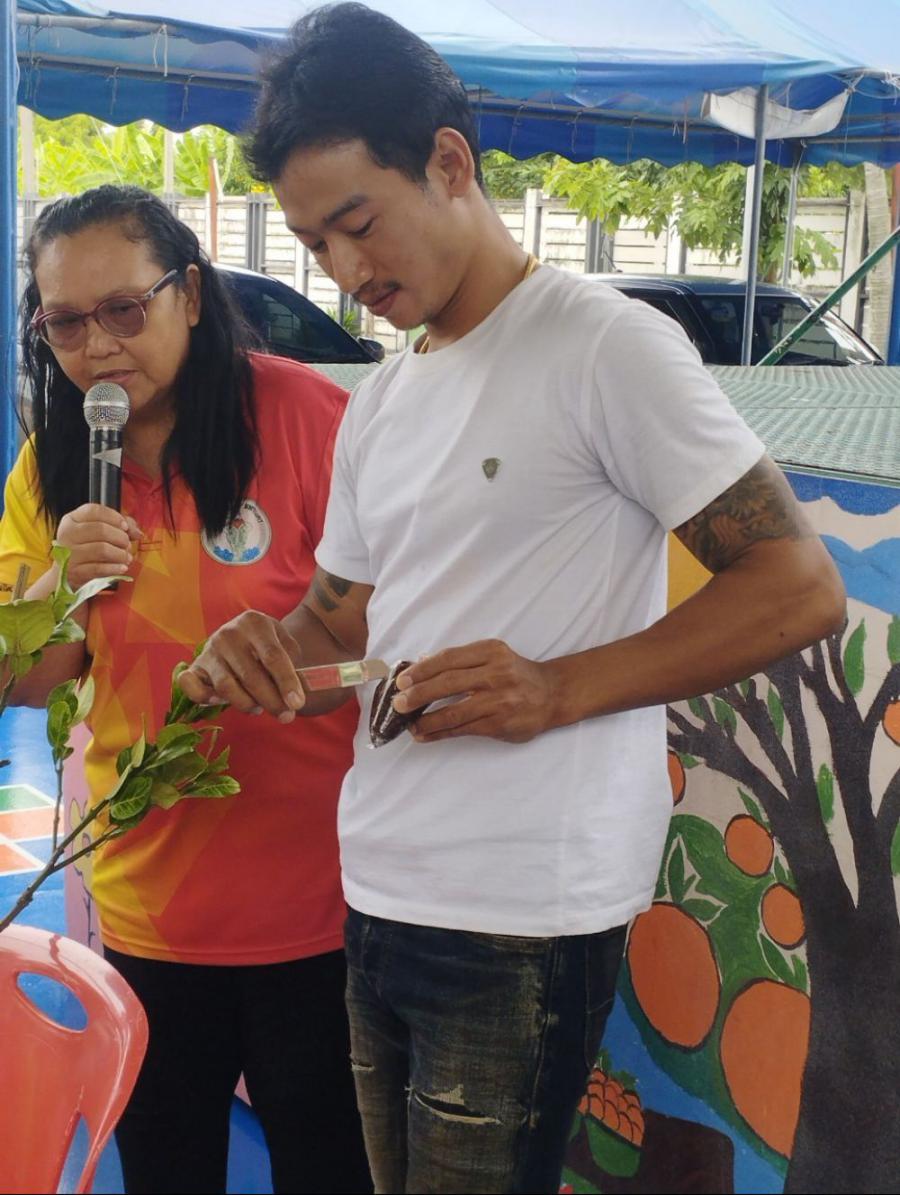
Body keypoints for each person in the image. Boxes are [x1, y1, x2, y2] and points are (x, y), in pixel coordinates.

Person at [179, 6, 847, 1193]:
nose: (345, 272)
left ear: (449, 162)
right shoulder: (387, 400)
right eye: (315, 243)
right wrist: (256, 650)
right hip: (378, 884)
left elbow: (798, 586)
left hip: (521, 910)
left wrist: (558, 687)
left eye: (358, 225)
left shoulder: (605, 346)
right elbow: (338, 621)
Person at [0, 185, 372, 1195]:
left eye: (125, 309)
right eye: (65, 323)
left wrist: (290, 668)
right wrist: (55, 589)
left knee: (332, 1168)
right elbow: (27, 680)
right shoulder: (52, 465)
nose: (98, 347)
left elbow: (388, 634)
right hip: (149, 909)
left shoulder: (308, 418)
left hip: (326, 905)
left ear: (192, 296)